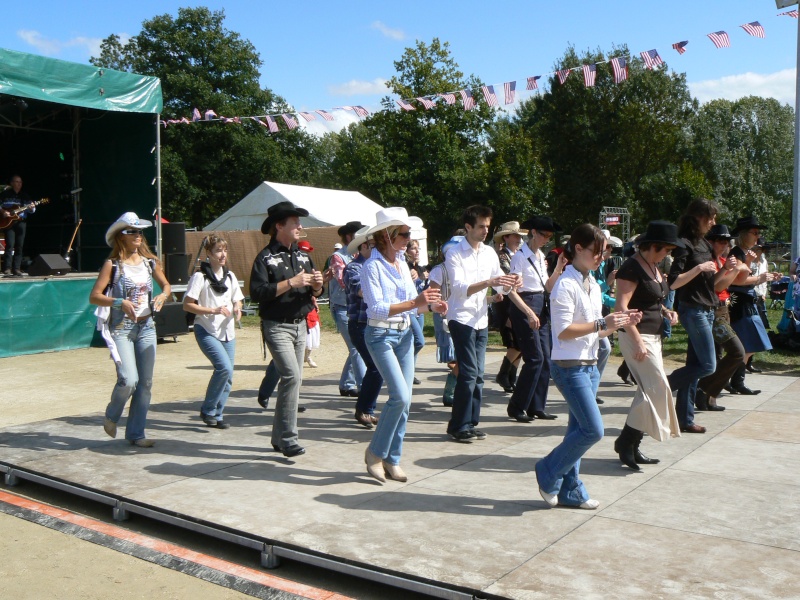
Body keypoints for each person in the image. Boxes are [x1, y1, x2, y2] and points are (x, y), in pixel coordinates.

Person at [535, 224, 639, 509]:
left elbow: (595, 331)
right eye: (596, 251)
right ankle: (548, 470)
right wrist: (602, 323)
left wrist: (620, 321)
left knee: (577, 431)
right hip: (569, 367)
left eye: (603, 252)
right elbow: (564, 331)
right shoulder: (565, 285)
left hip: (589, 364)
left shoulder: (592, 284)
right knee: (593, 430)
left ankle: (572, 490)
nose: (601, 257)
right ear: (578, 248)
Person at [361, 207, 446, 482]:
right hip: (381, 336)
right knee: (400, 395)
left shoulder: (401, 265)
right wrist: (416, 303)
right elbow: (375, 309)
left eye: (409, 234)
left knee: (405, 401)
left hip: (404, 335)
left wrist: (431, 306)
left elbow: (413, 308)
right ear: (387, 235)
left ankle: (392, 458)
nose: (409, 240)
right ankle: (375, 453)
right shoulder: (371, 267)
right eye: (405, 234)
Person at [89, 212, 171, 447]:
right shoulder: (112, 265)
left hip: (146, 326)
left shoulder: (149, 262)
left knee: (145, 383)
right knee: (128, 380)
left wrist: (163, 296)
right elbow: (94, 296)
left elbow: (166, 285)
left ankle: (136, 433)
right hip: (122, 327)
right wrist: (118, 302)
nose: (137, 236)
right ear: (120, 237)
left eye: (139, 232)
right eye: (131, 231)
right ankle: (112, 415)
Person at [250, 201, 324, 458]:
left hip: (300, 325)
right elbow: (257, 292)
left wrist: (316, 286)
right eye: (295, 222)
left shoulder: (303, 255)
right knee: (292, 377)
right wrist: (289, 283)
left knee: (292, 380)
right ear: (279, 225)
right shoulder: (265, 258)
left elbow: (314, 292)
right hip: (277, 326)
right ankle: (289, 439)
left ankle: (277, 437)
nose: (300, 227)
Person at [445, 205, 520, 442]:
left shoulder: (489, 253)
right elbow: (459, 289)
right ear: (468, 227)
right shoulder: (454, 253)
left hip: (480, 320)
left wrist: (511, 283)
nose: (486, 231)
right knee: (468, 373)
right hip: (461, 319)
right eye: (481, 226)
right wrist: (490, 280)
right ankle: (458, 425)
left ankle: (470, 422)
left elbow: (500, 285)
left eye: (488, 226)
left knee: (478, 374)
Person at [613, 221, 682, 470]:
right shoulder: (631, 268)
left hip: (653, 336)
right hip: (637, 337)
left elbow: (653, 299)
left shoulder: (652, 266)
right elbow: (621, 308)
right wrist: (638, 340)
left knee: (648, 391)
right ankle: (626, 440)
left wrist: (666, 311)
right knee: (657, 389)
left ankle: (630, 443)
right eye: (666, 249)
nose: (668, 254)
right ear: (653, 246)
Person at [667, 198, 725, 434]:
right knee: (709, 365)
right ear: (698, 217)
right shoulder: (683, 244)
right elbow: (673, 282)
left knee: (695, 364)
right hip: (693, 310)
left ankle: (685, 419)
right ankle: (662, 386)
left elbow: (713, 283)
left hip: (708, 310)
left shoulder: (703, 245)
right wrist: (699, 268)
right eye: (710, 218)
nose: (713, 223)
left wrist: (726, 271)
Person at [505, 215, 565, 422]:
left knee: (546, 359)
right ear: (533, 232)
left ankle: (536, 406)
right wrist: (529, 313)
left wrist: (557, 270)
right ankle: (517, 406)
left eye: (549, 236)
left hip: (540, 303)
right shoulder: (520, 256)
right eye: (543, 235)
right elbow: (510, 291)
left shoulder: (540, 256)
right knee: (534, 358)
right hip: (525, 305)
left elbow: (546, 287)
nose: (546, 239)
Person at [182, 234, 243, 429]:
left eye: (225, 250)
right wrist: (212, 310)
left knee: (229, 374)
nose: (223, 254)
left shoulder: (230, 275)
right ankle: (208, 409)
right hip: (206, 329)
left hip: (228, 332)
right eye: (218, 250)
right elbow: (187, 305)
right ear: (208, 253)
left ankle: (217, 414)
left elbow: (237, 298)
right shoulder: (200, 277)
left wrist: (238, 308)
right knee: (223, 367)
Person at [727, 216, 781, 395]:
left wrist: (766, 277)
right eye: (755, 232)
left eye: (759, 233)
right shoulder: (737, 253)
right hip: (739, 302)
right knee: (748, 343)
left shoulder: (746, 253)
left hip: (748, 301)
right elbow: (737, 280)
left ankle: (734, 380)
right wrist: (760, 278)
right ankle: (732, 380)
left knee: (750, 344)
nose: (758, 236)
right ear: (744, 234)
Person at [694, 224, 745, 411]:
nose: (725, 245)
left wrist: (738, 270)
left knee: (717, 356)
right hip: (713, 313)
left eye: (727, 241)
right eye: (721, 241)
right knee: (737, 352)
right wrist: (727, 269)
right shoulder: (708, 262)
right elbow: (713, 287)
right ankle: (704, 388)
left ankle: (708, 396)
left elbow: (730, 283)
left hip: (723, 310)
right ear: (711, 241)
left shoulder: (721, 260)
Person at [343, 226, 382, 428]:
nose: (377, 249)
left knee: (377, 368)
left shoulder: (376, 266)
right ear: (364, 246)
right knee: (376, 367)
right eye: (373, 245)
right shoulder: (353, 268)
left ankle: (367, 409)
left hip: (372, 324)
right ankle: (364, 409)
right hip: (359, 325)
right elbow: (361, 291)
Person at [327, 221, 367, 397]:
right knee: (356, 347)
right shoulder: (338, 257)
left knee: (356, 346)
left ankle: (346, 383)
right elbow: (344, 282)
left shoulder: (364, 255)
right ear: (350, 237)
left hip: (357, 307)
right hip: (342, 307)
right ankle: (363, 386)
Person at [491, 221, 527, 394]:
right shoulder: (501, 256)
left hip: (520, 301)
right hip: (506, 302)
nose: (519, 239)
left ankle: (511, 376)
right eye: (515, 235)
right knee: (515, 341)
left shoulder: (518, 255)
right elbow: (508, 279)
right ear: (506, 237)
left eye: (520, 236)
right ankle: (504, 374)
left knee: (520, 341)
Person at [428, 235, 464, 406]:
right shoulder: (439, 270)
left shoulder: (466, 270)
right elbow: (433, 294)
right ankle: (451, 390)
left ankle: (454, 389)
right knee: (458, 357)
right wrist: (439, 307)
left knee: (464, 357)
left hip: (464, 316)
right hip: (446, 316)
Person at [1, 175, 35, 276]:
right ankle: (7, 268)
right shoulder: (4, 194)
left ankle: (16, 268)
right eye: (16, 182)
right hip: (8, 222)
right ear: (11, 183)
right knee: (10, 245)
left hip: (21, 222)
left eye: (20, 182)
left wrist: (32, 207)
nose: (19, 184)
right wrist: (3, 211)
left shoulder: (25, 196)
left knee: (19, 246)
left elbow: (32, 210)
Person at [405, 237, 428, 384]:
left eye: (418, 248)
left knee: (412, 341)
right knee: (419, 341)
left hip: (420, 310)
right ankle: (403, 366)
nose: (417, 251)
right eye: (413, 248)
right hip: (409, 309)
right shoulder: (405, 267)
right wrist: (417, 278)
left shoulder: (420, 268)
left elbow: (424, 291)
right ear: (406, 251)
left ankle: (409, 372)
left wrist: (426, 281)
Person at [298, 240, 320, 368]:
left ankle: (308, 356)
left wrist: (315, 299)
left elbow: (315, 287)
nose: (305, 253)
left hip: (309, 303)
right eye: (303, 251)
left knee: (313, 329)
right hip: (298, 305)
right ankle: (301, 357)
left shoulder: (309, 264)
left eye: (307, 251)